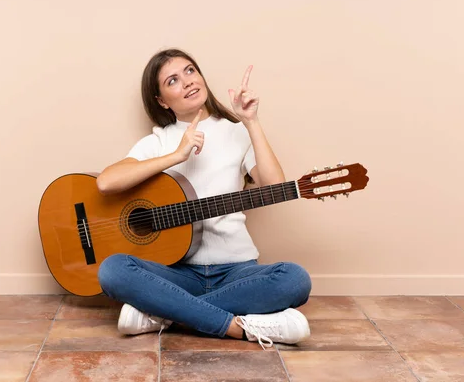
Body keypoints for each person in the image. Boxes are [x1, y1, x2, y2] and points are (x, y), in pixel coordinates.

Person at [96, 48, 311, 349]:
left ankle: (165, 314)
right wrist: (175, 156)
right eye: (172, 80)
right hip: (178, 272)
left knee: (294, 279)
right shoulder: (159, 141)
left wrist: (251, 121)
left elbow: (274, 187)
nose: (186, 82)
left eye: (189, 71)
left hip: (237, 270)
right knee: (112, 270)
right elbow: (106, 182)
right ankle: (238, 327)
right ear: (161, 100)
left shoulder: (237, 132)